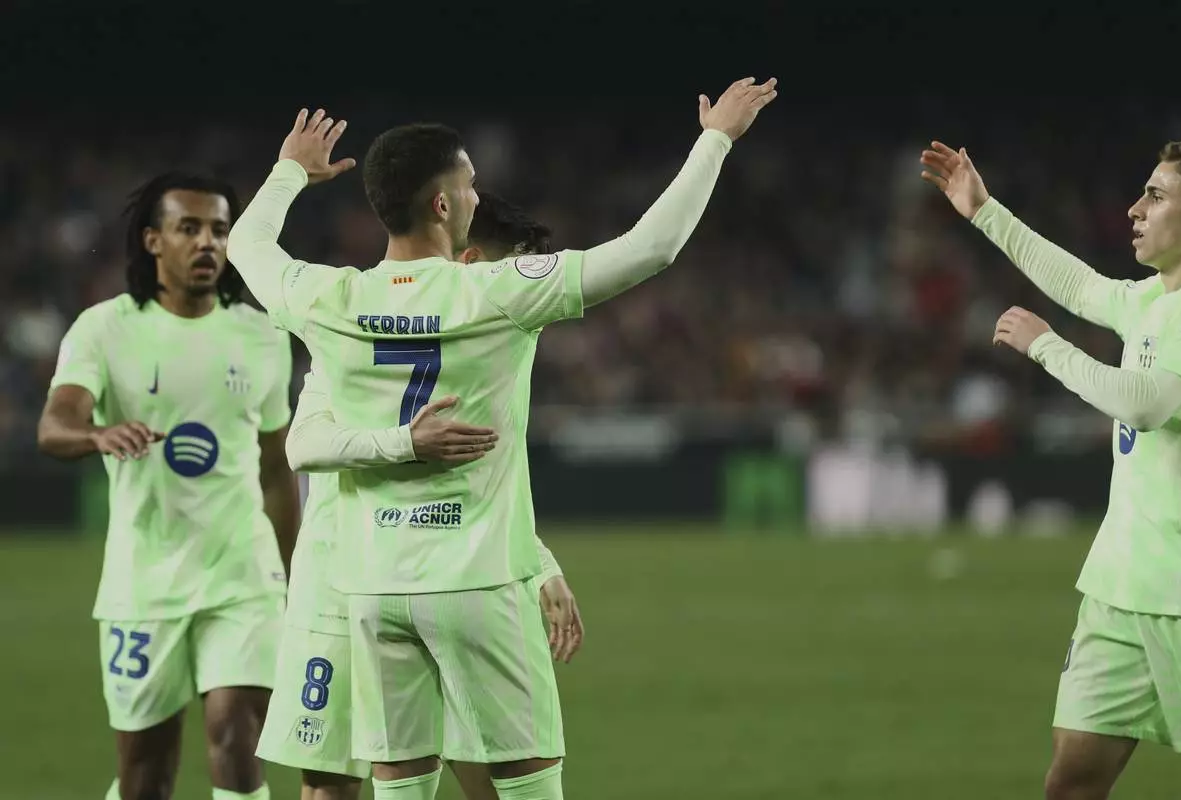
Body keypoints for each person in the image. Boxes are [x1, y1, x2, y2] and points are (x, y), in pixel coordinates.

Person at [227, 76, 777, 800]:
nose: (477, 198)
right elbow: (652, 247)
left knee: (400, 783)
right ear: (442, 205)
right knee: (525, 784)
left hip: (371, 588)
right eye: (470, 185)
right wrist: (716, 140)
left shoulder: (327, 297)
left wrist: (290, 170)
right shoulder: (494, 291)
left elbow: (246, 243)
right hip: (475, 583)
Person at [256, 191, 584, 800]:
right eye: (510, 268)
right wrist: (405, 442)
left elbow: (475, 491)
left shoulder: (483, 352)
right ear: (470, 259)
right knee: (331, 782)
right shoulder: (358, 328)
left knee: (479, 772)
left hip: (430, 573)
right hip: (340, 580)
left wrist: (540, 565)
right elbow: (305, 443)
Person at [922, 140, 1181, 800]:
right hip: (1119, 589)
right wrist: (984, 211)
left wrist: (1046, 347)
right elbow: (1078, 284)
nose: (1134, 209)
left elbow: (1148, 404)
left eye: (1156, 196)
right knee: (1072, 781)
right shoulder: (1149, 300)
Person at [37, 172, 300, 800]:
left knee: (236, 736)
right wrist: (95, 434)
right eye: (189, 228)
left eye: (219, 230)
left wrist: (294, 578)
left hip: (243, 577)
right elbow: (54, 425)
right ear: (153, 240)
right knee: (146, 772)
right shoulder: (104, 329)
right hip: (144, 583)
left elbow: (275, 468)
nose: (208, 242)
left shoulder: (263, 335)